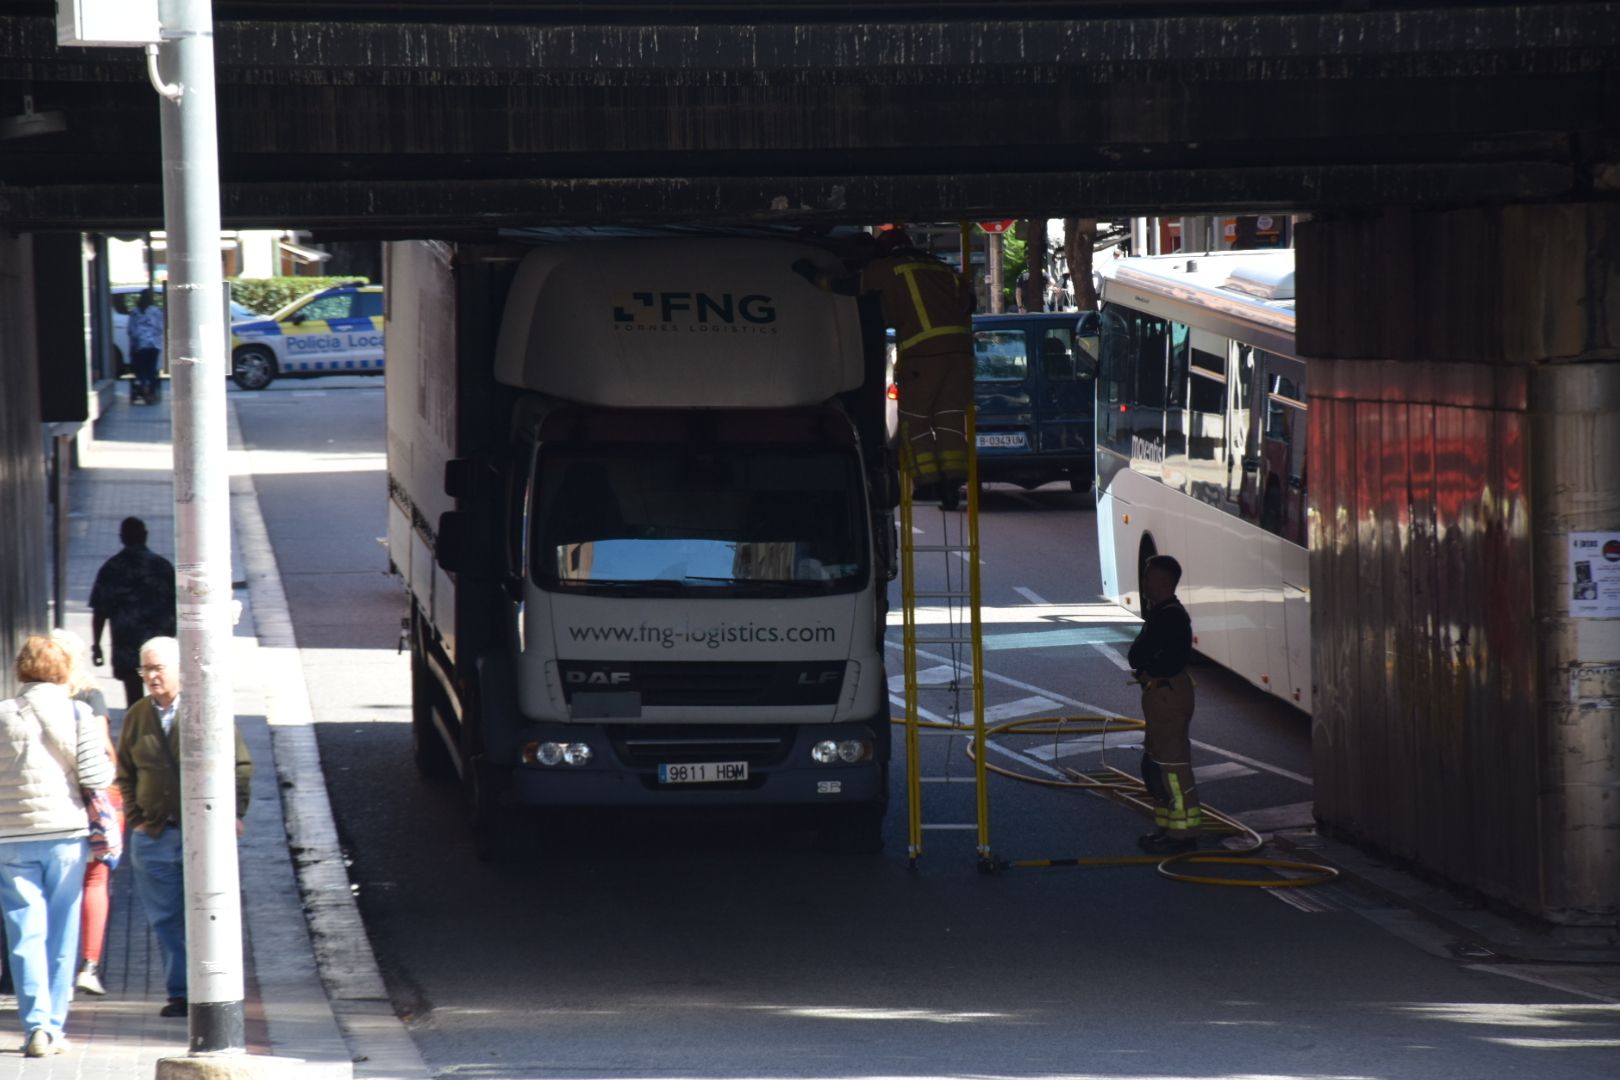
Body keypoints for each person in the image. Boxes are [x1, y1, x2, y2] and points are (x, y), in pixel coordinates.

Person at [116, 636, 252, 1019]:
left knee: (209, 913)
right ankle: (181, 993)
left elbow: (240, 766)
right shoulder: (138, 714)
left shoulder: (206, 708)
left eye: (158, 668)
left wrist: (234, 811)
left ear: (180, 670)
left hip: (205, 833)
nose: (151, 676)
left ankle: (214, 992)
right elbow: (124, 772)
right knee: (167, 917)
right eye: (145, 668)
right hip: (155, 835)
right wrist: (137, 819)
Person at [793, 229, 975, 507]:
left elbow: (849, 286)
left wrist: (812, 276)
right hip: (960, 356)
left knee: (916, 420)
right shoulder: (942, 269)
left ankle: (928, 484)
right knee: (950, 419)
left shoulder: (889, 268)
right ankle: (953, 482)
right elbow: (969, 302)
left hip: (923, 356)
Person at [0, 636, 116, 1057]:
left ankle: (33, 1026)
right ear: (63, 670)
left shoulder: (2, 714)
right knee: (62, 933)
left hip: (10, 837)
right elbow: (97, 775)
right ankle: (53, 1027)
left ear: (22, 669)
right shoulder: (77, 712)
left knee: (23, 932)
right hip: (65, 835)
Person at [49, 630, 120, 998]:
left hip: (48, 805)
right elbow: (105, 751)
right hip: (90, 799)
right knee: (94, 880)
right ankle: (88, 966)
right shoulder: (89, 696)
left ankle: (52, 967)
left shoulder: (27, 700)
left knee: (55, 885)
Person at [1127, 555, 1202, 855]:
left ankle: (1183, 834)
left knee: (1172, 768)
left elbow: (1152, 656)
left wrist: (1147, 665)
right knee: (1156, 765)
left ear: (1163, 582)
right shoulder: (1163, 613)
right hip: (1160, 695)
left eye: (1148, 578)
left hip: (1166, 695)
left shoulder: (1170, 617)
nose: (1144, 583)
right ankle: (1168, 827)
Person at [89, 516, 177, 708]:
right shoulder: (162, 567)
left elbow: (100, 611)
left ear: (122, 538)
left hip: (126, 645)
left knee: (134, 696)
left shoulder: (112, 568)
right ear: (145, 536)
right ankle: (162, 731)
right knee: (164, 692)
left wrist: (96, 644)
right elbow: (178, 607)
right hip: (159, 644)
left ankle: (139, 730)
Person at [128, 288, 164, 404]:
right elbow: (160, 328)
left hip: (140, 345)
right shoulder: (156, 311)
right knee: (152, 369)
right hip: (153, 345)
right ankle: (151, 392)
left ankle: (143, 386)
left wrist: (136, 340)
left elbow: (130, 330)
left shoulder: (135, 311)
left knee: (142, 369)